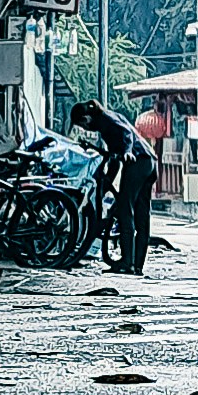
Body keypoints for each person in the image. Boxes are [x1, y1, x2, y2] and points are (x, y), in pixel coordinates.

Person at [75, 100, 156, 277]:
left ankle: (127, 262)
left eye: (82, 125)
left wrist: (127, 151)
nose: (86, 129)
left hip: (137, 161)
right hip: (149, 161)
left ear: (86, 118)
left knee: (125, 210)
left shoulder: (106, 119)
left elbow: (127, 133)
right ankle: (137, 265)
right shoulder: (107, 124)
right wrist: (105, 184)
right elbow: (113, 161)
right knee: (141, 215)